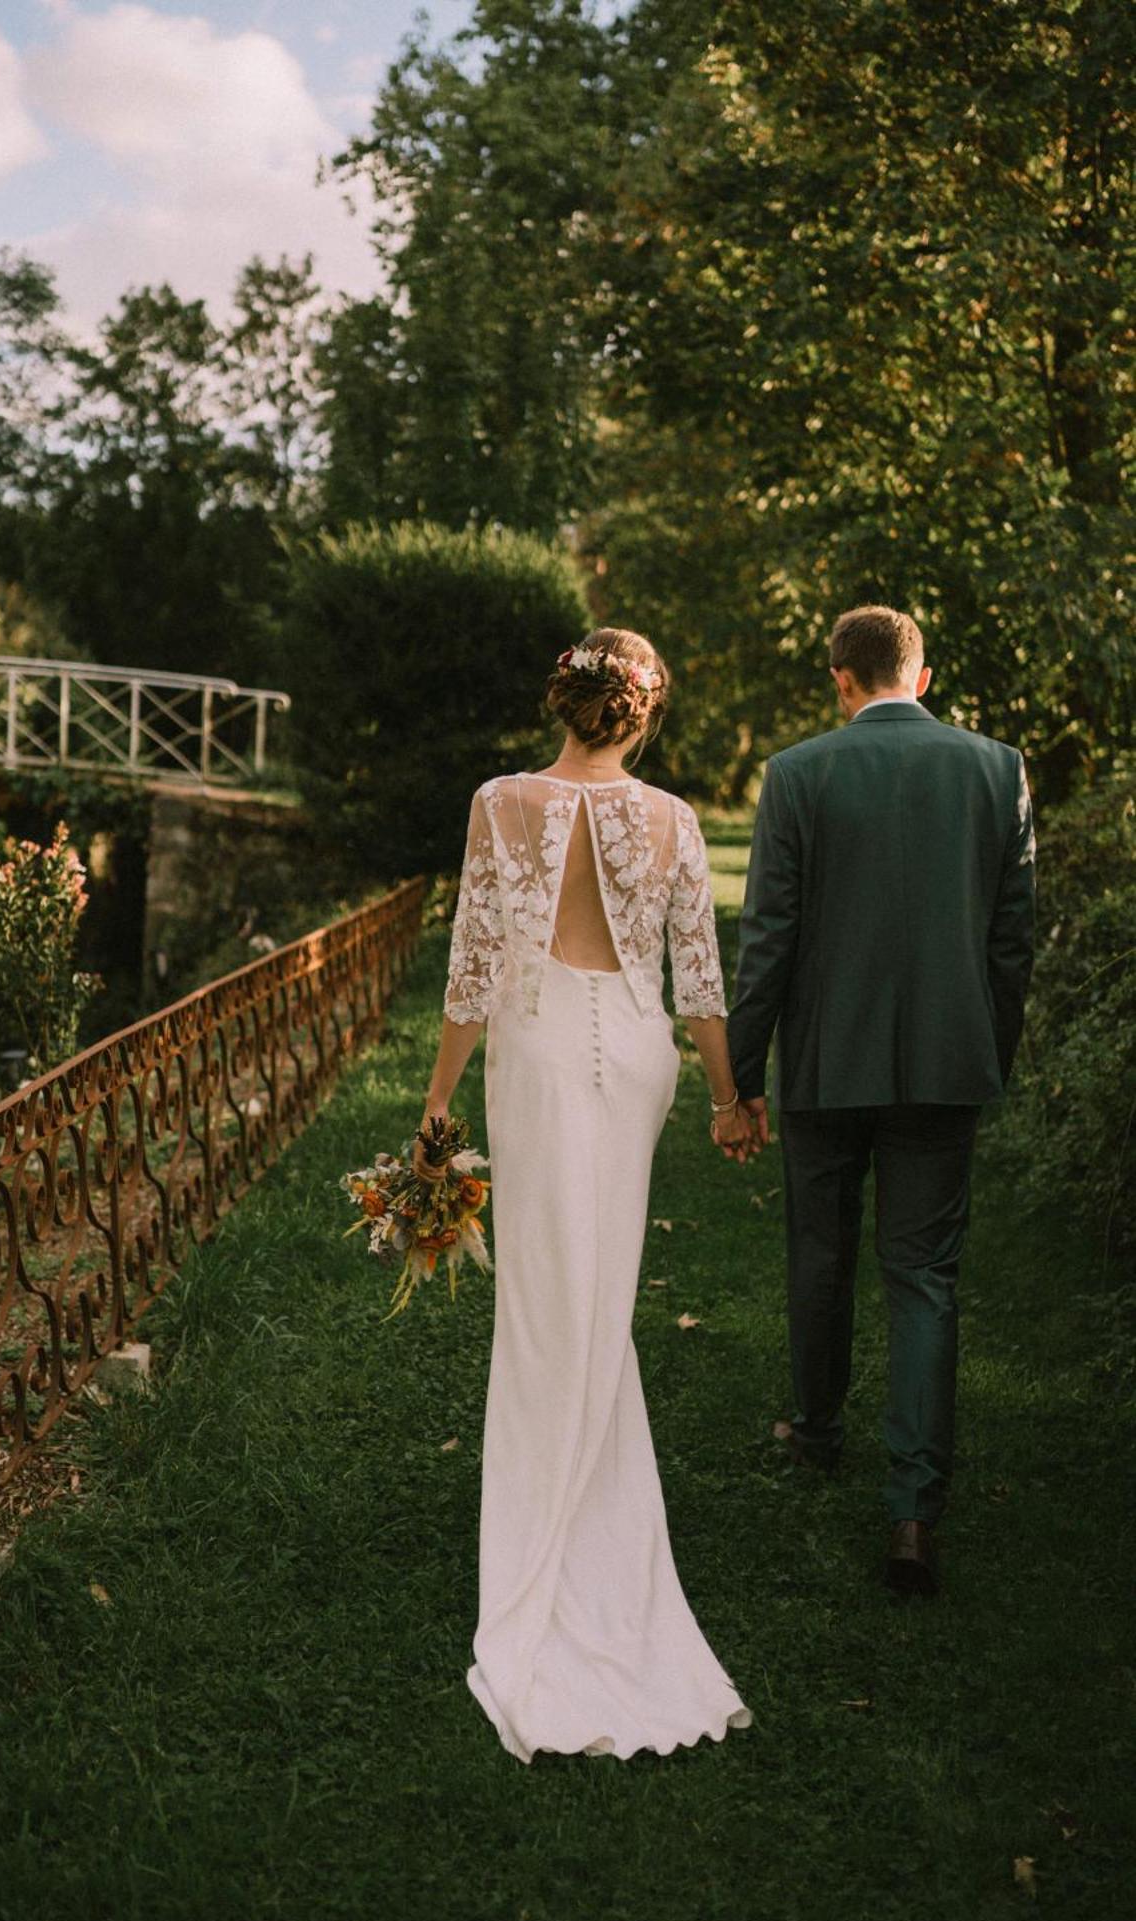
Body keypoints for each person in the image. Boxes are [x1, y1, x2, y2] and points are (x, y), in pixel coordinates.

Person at [420, 626, 754, 1764]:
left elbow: (474, 959)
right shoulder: (670, 820)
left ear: (559, 699)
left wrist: (436, 1103)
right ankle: (597, 1515)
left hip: (543, 1048)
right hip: (639, 1055)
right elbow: (698, 971)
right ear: (643, 713)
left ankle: (554, 1531)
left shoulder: (500, 801)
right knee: (600, 1293)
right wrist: (726, 1096)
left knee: (543, 1304)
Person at [728, 604, 1036, 1596]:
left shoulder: (799, 772)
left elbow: (767, 936)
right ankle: (912, 1507)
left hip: (826, 1062)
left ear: (839, 677)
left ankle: (818, 1429)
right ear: (924, 674)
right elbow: (1010, 939)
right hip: (948, 1062)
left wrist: (738, 1075)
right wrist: (989, 1048)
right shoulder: (997, 768)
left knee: (821, 1250)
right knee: (926, 1273)